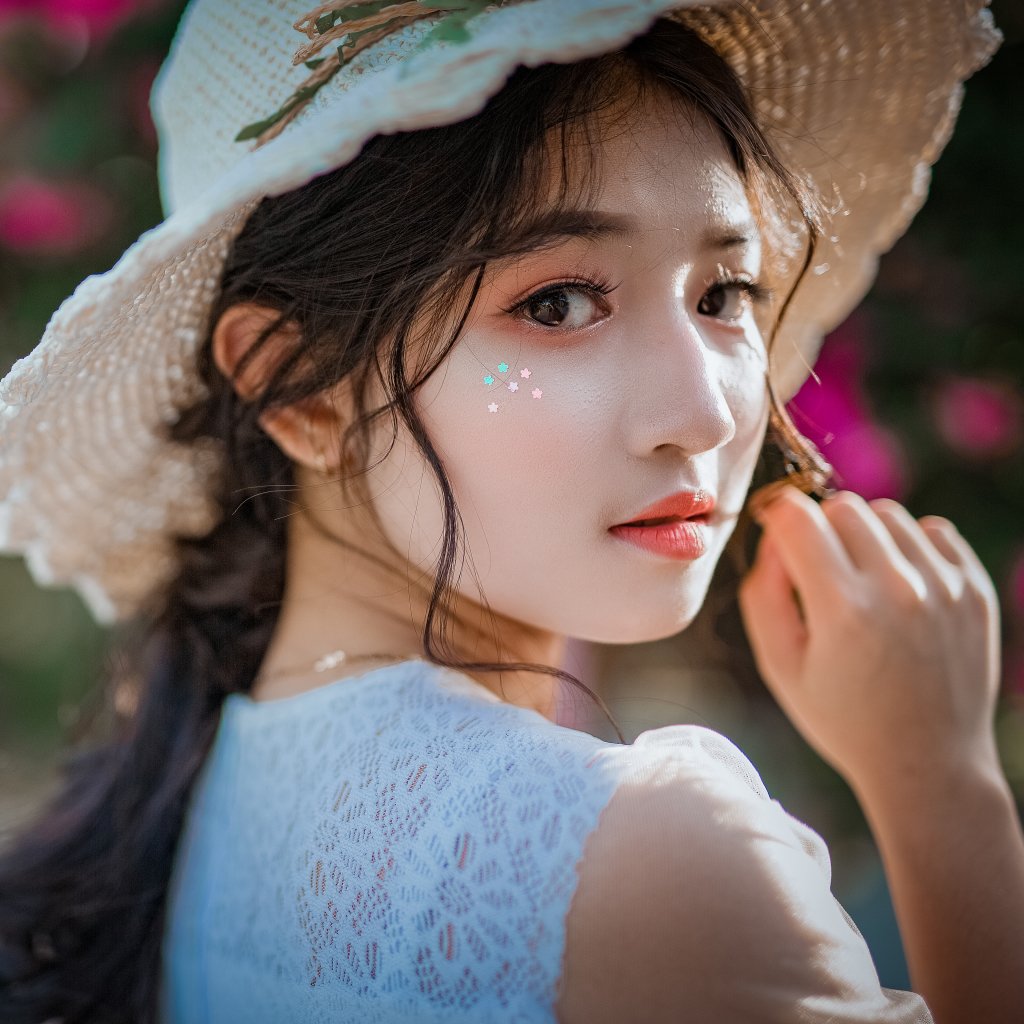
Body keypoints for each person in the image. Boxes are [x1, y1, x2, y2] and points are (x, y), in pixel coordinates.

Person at [0, 1, 1019, 1022]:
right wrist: (941, 790)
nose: (703, 410)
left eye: (724, 293)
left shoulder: (205, 789)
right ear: (296, 388)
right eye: (558, 303)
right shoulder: (651, 865)